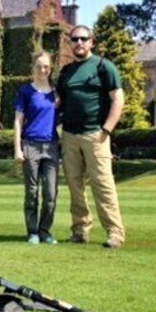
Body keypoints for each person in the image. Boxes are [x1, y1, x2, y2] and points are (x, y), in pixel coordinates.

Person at [56, 25, 126, 249]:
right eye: (74, 39)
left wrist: (107, 129)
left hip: (96, 135)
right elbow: (57, 103)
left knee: (103, 185)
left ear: (91, 42)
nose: (78, 43)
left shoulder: (105, 67)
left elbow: (118, 99)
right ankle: (80, 229)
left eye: (83, 39)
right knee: (75, 186)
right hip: (69, 136)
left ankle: (114, 232)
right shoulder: (66, 72)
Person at [13, 51, 60, 245]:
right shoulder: (25, 91)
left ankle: (44, 231)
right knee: (31, 192)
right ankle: (32, 231)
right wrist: (17, 148)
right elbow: (18, 121)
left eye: (46, 67)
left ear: (50, 69)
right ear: (33, 68)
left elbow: (60, 120)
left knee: (50, 194)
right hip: (30, 145)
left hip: (51, 146)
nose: (42, 70)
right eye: (39, 66)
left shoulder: (56, 93)